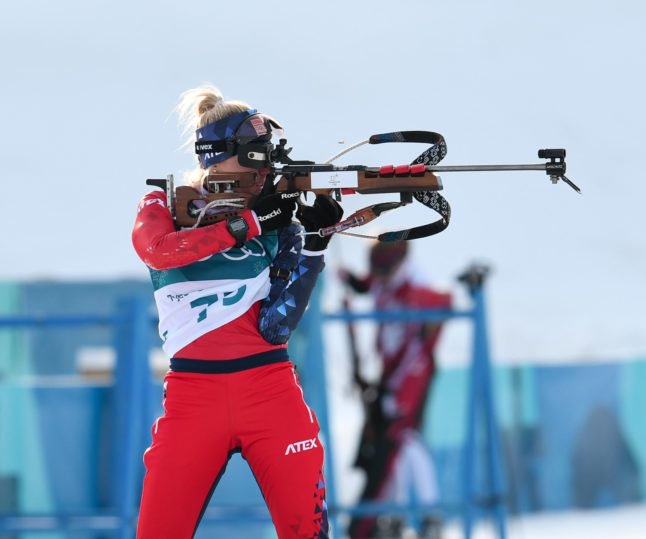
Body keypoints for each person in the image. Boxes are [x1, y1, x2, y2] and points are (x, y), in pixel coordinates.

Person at [131, 85, 343, 539]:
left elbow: (276, 326)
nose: (266, 166)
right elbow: (159, 251)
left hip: (270, 390)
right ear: (217, 155)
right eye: (255, 154)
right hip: (191, 398)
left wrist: (316, 245)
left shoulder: (276, 220)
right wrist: (249, 224)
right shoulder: (165, 205)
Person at [340, 240, 452, 539]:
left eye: (386, 271)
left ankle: (428, 514)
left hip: (412, 375)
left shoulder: (415, 286)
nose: (381, 277)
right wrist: (351, 280)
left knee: (404, 439)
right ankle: (395, 514)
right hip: (389, 374)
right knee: (392, 446)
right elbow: (367, 285)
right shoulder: (383, 279)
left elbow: (444, 301)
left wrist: (401, 392)